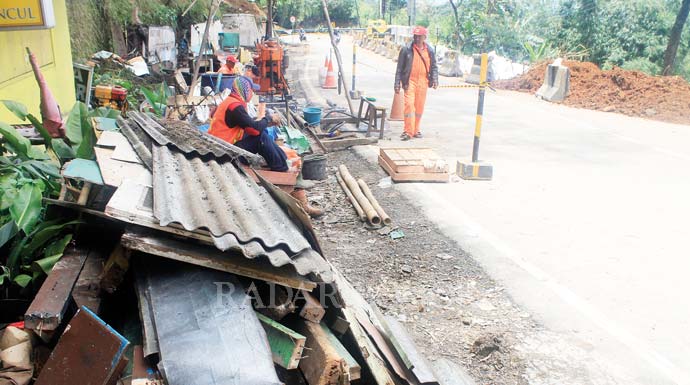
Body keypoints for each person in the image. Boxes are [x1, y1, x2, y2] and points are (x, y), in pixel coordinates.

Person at [209, 76, 287, 171]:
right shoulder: (235, 107)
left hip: (220, 146)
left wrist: (265, 123)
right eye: (251, 90)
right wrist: (268, 118)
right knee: (260, 137)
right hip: (225, 152)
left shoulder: (230, 101)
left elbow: (248, 124)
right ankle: (281, 168)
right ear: (244, 90)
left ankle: (283, 160)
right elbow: (254, 130)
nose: (252, 93)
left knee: (262, 132)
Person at [394, 25, 438, 141]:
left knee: (419, 108)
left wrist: (435, 79)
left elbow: (434, 67)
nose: (417, 38)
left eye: (419, 37)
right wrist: (397, 83)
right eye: (415, 36)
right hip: (410, 81)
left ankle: (415, 130)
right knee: (409, 105)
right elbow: (399, 68)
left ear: (425, 37)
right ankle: (407, 131)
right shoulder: (406, 49)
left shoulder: (430, 50)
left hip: (423, 82)